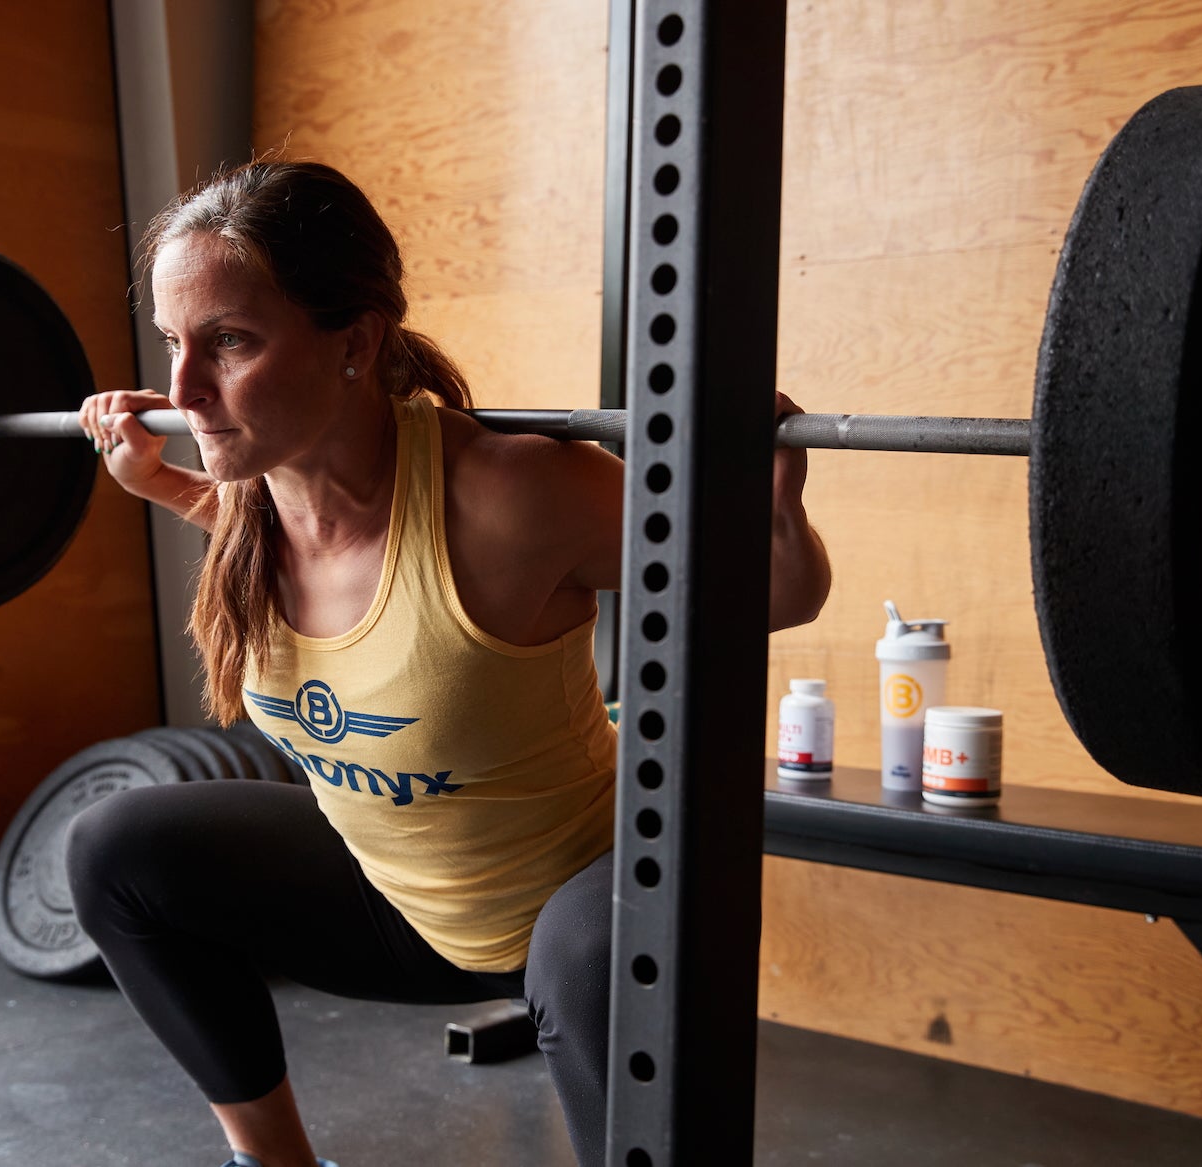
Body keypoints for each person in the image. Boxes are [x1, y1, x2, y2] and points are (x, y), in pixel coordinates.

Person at [65, 158, 831, 1167]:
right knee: (117, 847)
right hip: (400, 904)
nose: (184, 391)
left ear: (356, 342)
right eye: (172, 344)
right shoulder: (260, 493)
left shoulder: (514, 495)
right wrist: (159, 481)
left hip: (583, 915)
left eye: (229, 343)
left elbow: (773, 597)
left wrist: (768, 496)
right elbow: (334, 574)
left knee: (588, 955)